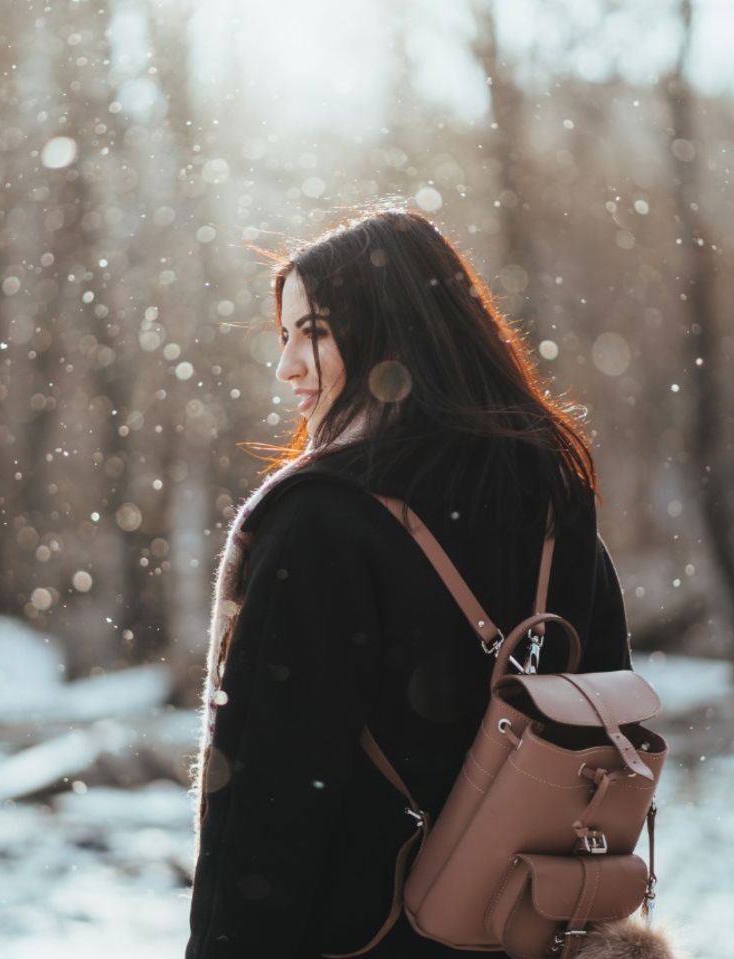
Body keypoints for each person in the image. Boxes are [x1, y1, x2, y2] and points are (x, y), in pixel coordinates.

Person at [185, 206, 635, 958]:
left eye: (317, 331)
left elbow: (268, 802)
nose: (287, 365)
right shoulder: (552, 498)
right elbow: (606, 721)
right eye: (285, 334)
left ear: (395, 334)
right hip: (526, 926)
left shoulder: (319, 522)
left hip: (365, 933)